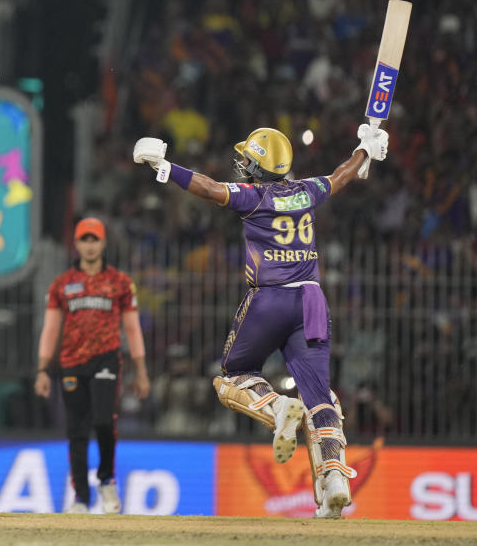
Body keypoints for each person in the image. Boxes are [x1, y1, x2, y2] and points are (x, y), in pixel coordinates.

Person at [132, 123, 389, 519]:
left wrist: (164, 166)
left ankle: (275, 410)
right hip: (311, 300)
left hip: (269, 299)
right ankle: (335, 476)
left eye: (248, 159)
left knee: (232, 375)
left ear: (258, 164)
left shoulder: (253, 197)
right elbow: (341, 175)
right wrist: (364, 152)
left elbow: (207, 187)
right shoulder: (306, 190)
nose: (243, 164)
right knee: (321, 397)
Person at [34, 217, 150, 514]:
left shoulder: (120, 283)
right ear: (76, 244)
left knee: (102, 421)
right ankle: (81, 498)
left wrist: (141, 370)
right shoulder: (62, 285)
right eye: (84, 239)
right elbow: (50, 329)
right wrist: (43, 369)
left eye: (94, 239)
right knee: (76, 430)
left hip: (107, 358)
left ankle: (107, 481)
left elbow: (132, 328)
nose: (89, 245)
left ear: (103, 243)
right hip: (71, 363)